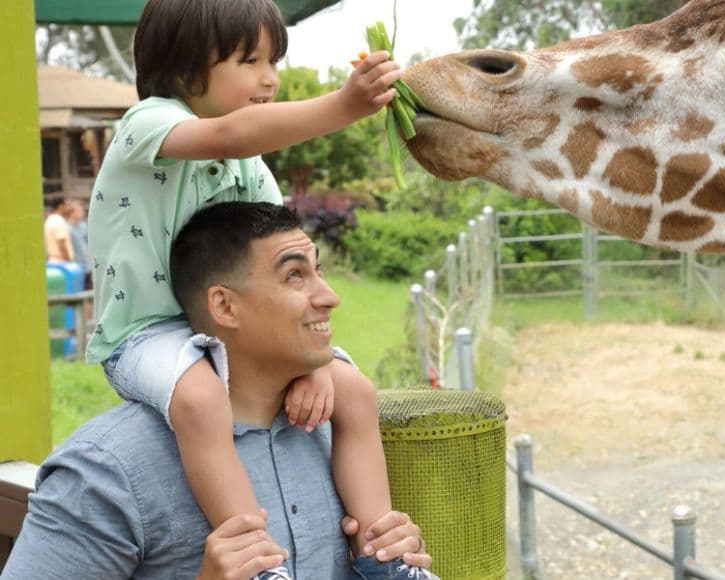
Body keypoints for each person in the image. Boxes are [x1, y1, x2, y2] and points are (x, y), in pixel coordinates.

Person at [81, 1, 420, 578]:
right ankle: (258, 561)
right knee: (199, 397)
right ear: (186, 69)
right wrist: (344, 105)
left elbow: (275, 266)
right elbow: (233, 134)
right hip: (145, 337)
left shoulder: (251, 171)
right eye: (250, 60)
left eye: (274, 60)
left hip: (232, 329)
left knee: (354, 392)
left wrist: (307, 362)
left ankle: (385, 557)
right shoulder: (147, 122)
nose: (270, 78)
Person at [3, 201, 434, 579]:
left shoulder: (333, 431)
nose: (330, 297)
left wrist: (381, 557)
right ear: (225, 306)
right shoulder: (107, 471)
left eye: (317, 270)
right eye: (295, 276)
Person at [43, 196, 74, 263]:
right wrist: (68, 262)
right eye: (66, 205)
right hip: (61, 263)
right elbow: (61, 242)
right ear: (61, 206)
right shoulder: (59, 221)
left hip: (52, 261)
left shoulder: (49, 219)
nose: (68, 208)